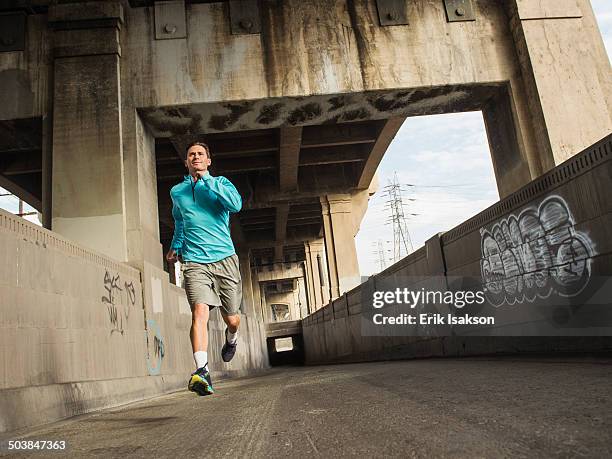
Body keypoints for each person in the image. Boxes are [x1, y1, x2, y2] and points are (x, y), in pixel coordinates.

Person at [166, 141, 243, 396]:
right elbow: (180, 221)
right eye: (191, 155)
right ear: (186, 162)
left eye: (200, 154)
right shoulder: (177, 192)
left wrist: (206, 180)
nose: (195, 157)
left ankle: (232, 338)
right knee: (199, 312)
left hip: (224, 259)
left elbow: (235, 205)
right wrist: (176, 245)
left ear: (208, 161)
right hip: (195, 262)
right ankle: (202, 371)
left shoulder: (221, 184)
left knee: (231, 318)